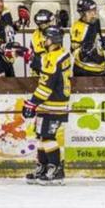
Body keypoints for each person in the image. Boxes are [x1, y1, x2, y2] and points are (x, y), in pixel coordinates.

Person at [22, 25, 71, 186]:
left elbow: (46, 86)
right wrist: (28, 55)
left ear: (54, 40)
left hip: (53, 103)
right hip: (51, 103)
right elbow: (44, 63)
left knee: (48, 137)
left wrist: (31, 103)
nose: (44, 40)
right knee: (41, 135)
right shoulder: (61, 54)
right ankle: (43, 167)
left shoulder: (53, 58)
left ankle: (56, 169)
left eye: (47, 38)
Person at [70, 0, 105, 77]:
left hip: (100, 68)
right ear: (82, 13)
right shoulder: (77, 27)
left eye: (94, 10)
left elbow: (97, 38)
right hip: (84, 70)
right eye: (90, 11)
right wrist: (88, 51)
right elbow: (74, 50)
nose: (94, 13)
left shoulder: (95, 21)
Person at [29, 9, 55, 75]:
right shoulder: (36, 36)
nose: (52, 23)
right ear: (42, 24)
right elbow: (41, 55)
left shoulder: (54, 32)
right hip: (40, 69)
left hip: (51, 68)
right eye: (50, 22)